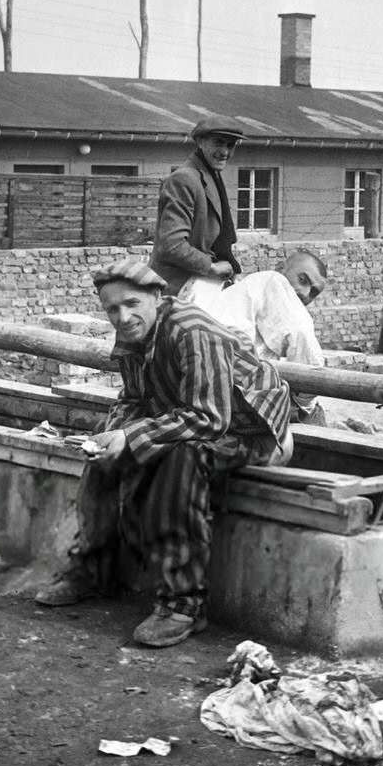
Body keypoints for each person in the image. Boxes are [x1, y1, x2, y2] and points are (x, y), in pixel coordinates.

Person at [34, 257, 292, 648]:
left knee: (181, 460)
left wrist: (134, 435)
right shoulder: (134, 336)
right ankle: (96, 570)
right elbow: (134, 399)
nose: (122, 316)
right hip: (188, 420)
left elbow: (209, 418)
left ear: (157, 296)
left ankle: (184, 603)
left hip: (249, 431)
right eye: (112, 309)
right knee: (103, 451)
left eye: (132, 304)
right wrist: (115, 434)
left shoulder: (191, 330)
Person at [207, 250, 329, 422]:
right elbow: (306, 348)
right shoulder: (272, 280)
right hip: (228, 393)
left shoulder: (245, 297)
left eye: (314, 293)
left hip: (221, 392)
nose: (305, 293)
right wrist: (305, 404)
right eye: (302, 280)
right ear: (281, 268)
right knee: (313, 413)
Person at [149, 116, 245, 306]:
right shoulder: (184, 179)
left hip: (202, 285)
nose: (225, 151)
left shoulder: (210, 176)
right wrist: (212, 268)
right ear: (200, 141)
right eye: (218, 142)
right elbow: (172, 246)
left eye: (231, 145)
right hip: (176, 291)